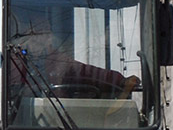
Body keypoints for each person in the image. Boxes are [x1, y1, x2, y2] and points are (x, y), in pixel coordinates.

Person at [11, 18, 139, 99]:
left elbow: (89, 73)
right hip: (18, 122)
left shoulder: (59, 62)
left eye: (42, 34)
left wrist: (120, 81)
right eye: (32, 34)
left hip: (58, 123)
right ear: (22, 38)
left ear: (49, 37)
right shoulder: (11, 63)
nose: (37, 39)